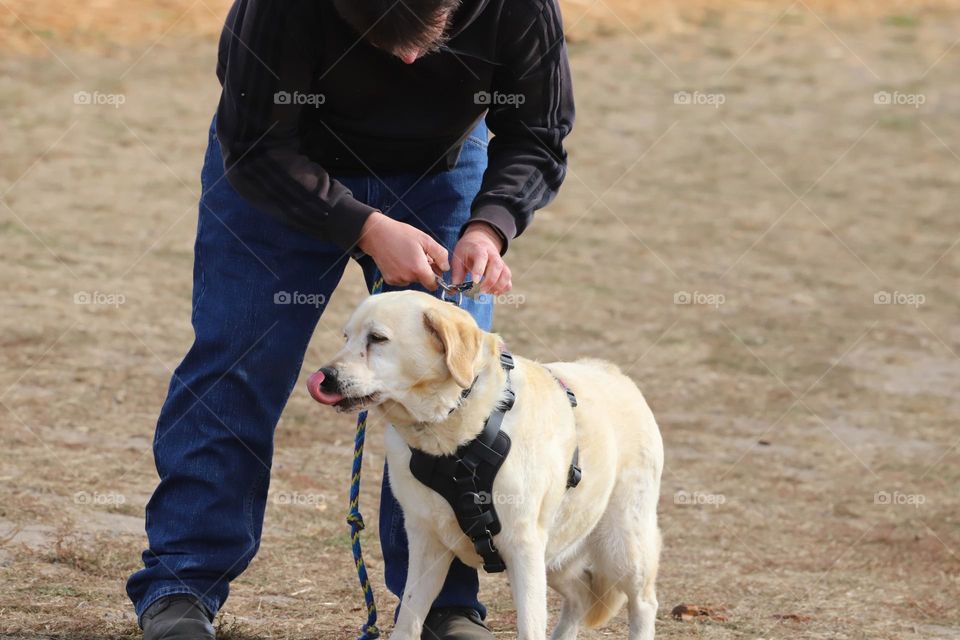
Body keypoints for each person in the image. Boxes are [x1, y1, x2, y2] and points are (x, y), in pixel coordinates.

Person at [125, 0, 573, 638]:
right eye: (389, 39)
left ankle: (444, 607)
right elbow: (253, 144)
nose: (412, 58)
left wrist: (490, 223)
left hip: (441, 171)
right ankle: (181, 587)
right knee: (236, 368)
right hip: (279, 169)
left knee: (451, 385)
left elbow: (538, 132)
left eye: (429, 39)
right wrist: (362, 225)